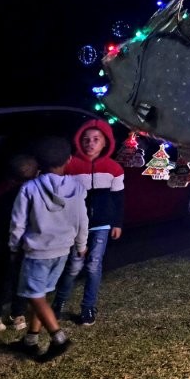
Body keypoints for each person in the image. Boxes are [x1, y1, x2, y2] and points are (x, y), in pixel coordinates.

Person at [9, 136, 88, 361]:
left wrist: (14, 245)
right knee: (41, 295)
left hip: (37, 252)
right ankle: (30, 340)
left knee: (34, 296)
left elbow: (17, 223)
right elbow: (82, 220)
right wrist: (81, 244)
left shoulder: (29, 188)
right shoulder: (77, 187)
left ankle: (58, 338)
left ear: (39, 161)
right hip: (63, 250)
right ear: (69, 159)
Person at [53, 119, 125, 326]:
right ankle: (59, 303)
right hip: (76, 226)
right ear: (79, 141)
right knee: (74, 266)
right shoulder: (70, 165)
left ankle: (88, 307)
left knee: (94, 265)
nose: (90, 143)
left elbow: (118, 198)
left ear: (105, 142)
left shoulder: (114, 168)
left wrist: (117, 223)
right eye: (86, 139)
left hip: (102, 224)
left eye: (96, 139)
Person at [0, 154, 39, 341]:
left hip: (5, 246)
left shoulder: (4, 199)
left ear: (10, 178)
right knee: (22, 280)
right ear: (36, 175)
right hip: (28, 248)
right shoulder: (38, 198)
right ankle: (18, 316)